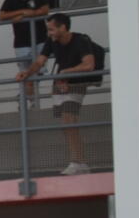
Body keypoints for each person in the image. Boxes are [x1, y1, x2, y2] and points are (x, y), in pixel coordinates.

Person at [13, 12, 101, 174]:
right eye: (48, 30)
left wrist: (66, 72)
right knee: (66, 124)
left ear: (63, 27)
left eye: (52, 29)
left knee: (69, 121)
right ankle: (79, 161)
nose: (49, 33)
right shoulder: (51, 41)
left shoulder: (81, 40)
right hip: (60, 84)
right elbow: (40, 61)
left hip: (76, 84)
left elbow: (89, 65)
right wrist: (27, 73)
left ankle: (78, 162)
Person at [0, 0, 53, 101]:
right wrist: (22, 12)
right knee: (25, 72)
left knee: (37, 70)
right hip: (21, 42)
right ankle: (29, 98)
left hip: (39, 39)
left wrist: (29, 14)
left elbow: (44, 10)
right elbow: (2, 15)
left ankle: (28, 98)